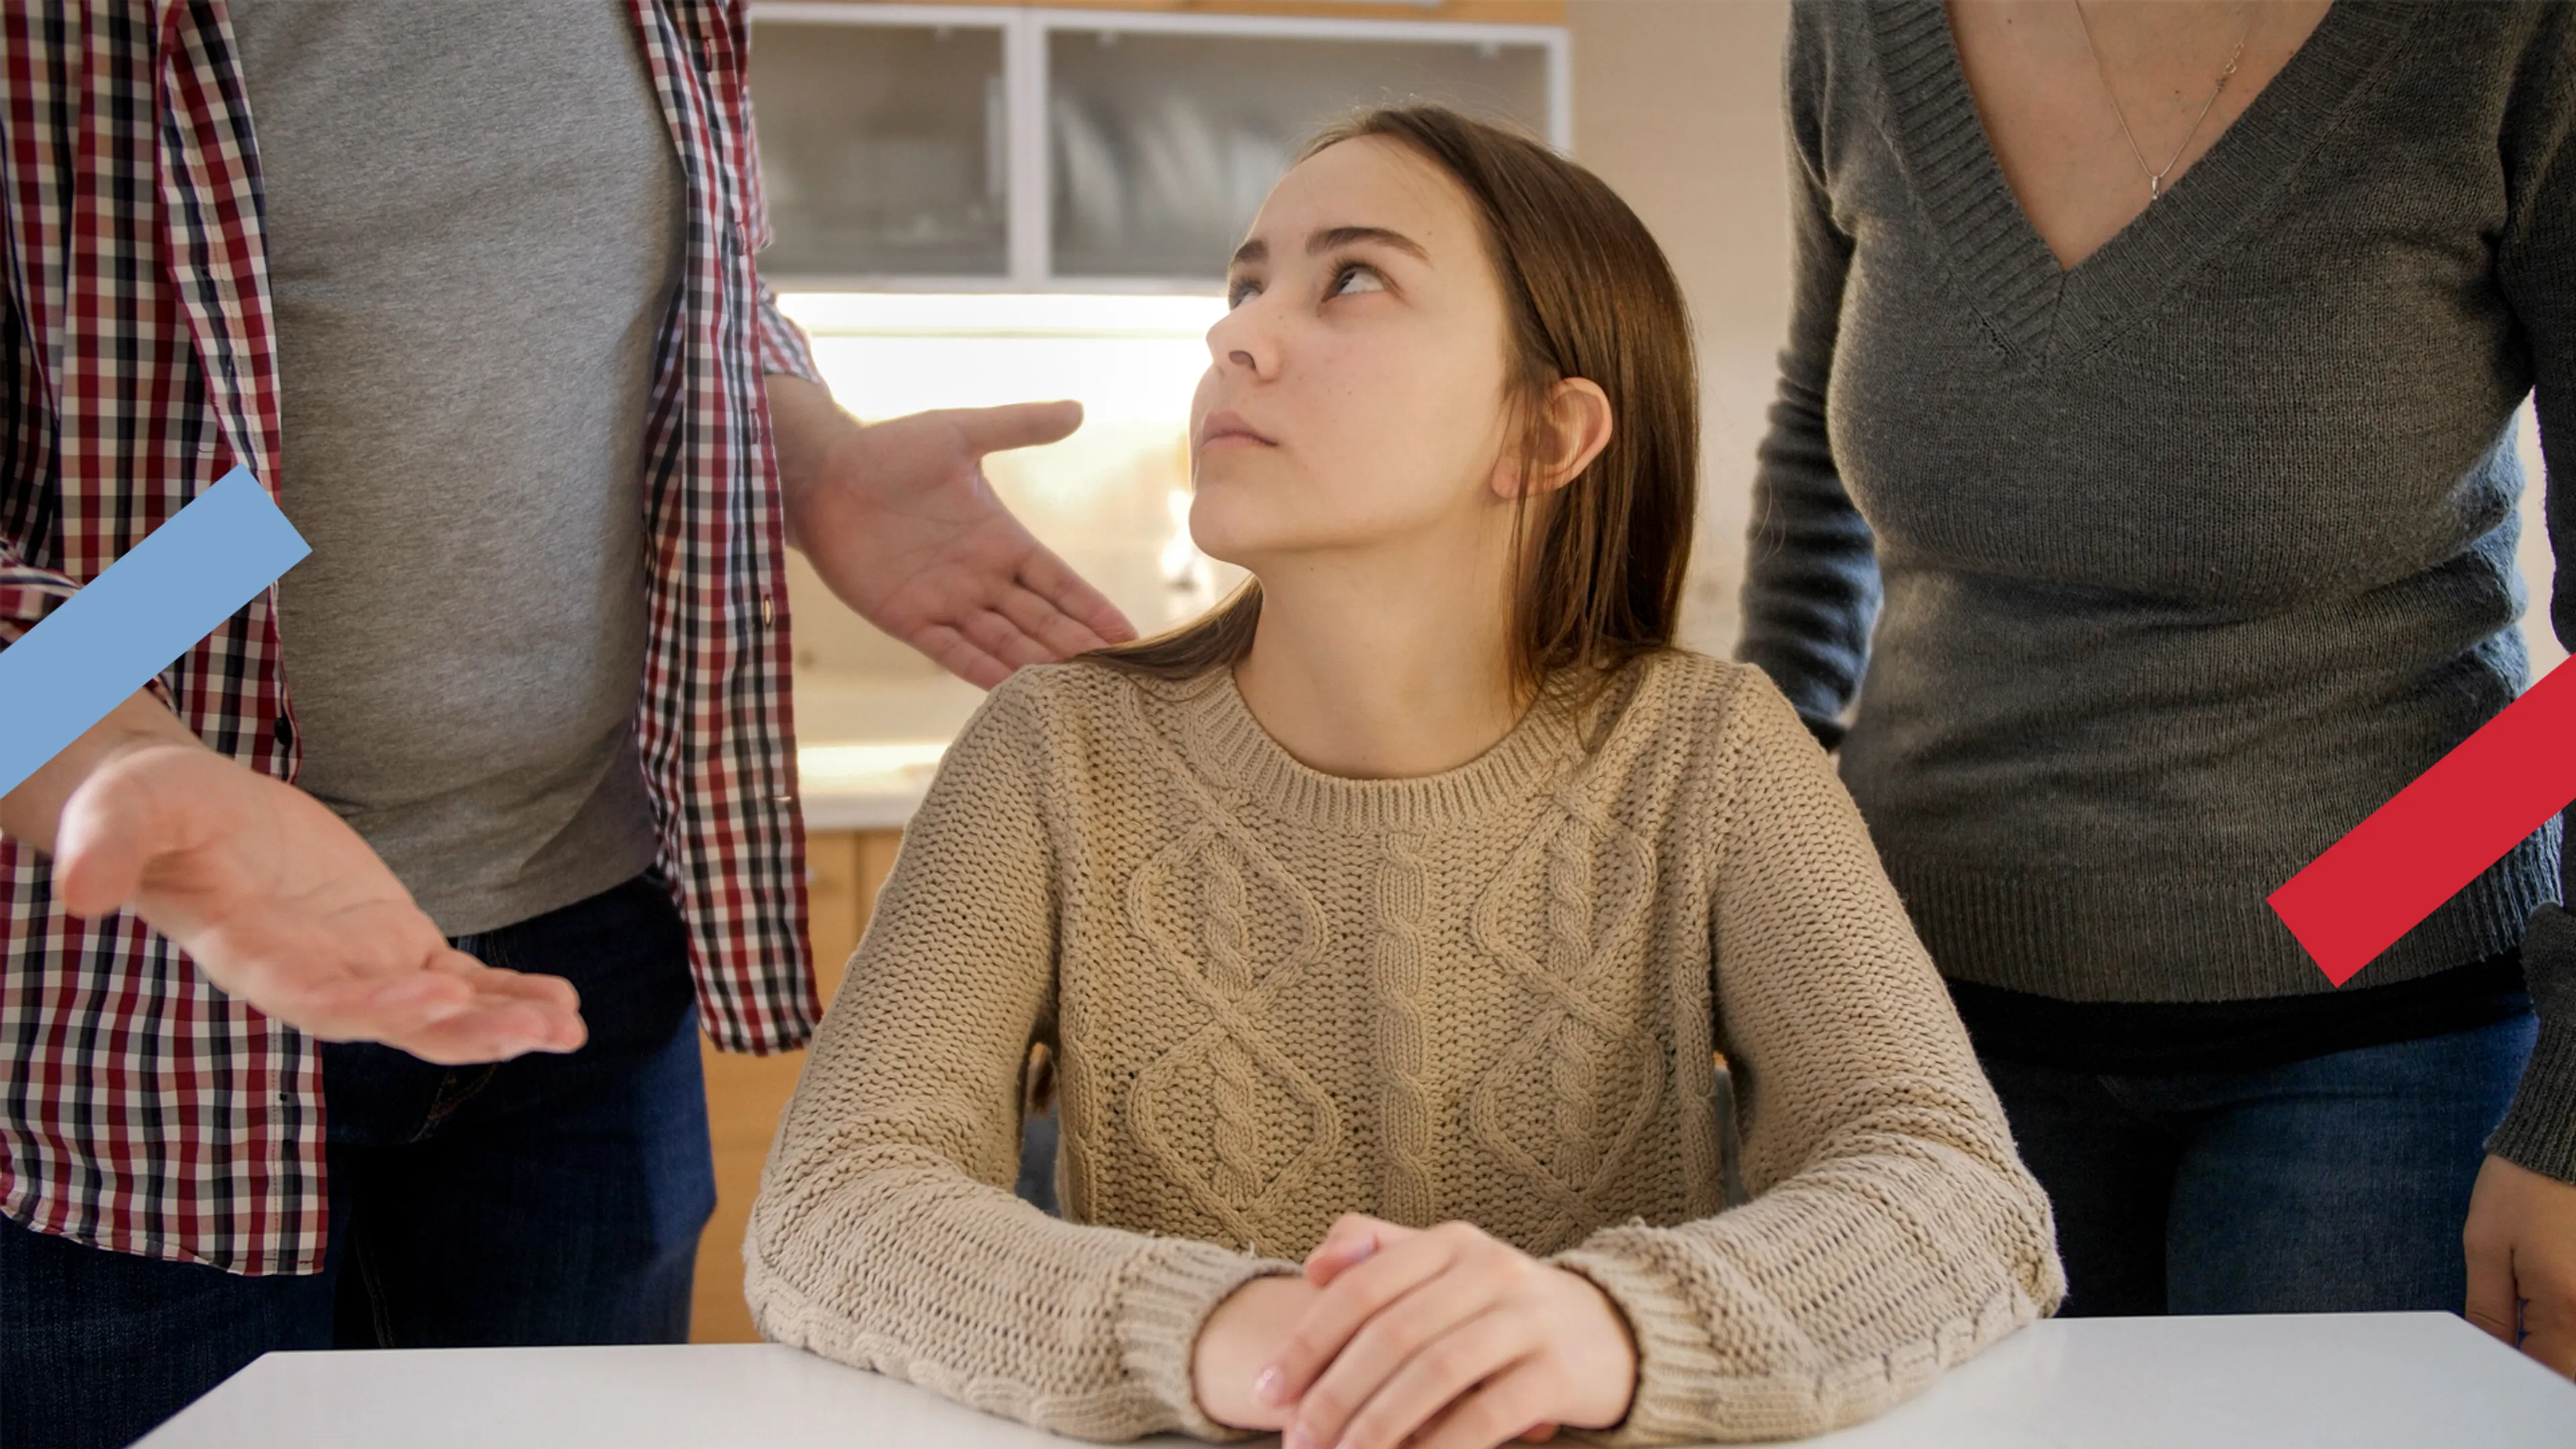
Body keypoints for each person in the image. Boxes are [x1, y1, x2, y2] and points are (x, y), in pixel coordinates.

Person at [745, 105, 2062, 1449]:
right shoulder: (1048, 754)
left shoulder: (1713, 754)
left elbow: (1956, 1191)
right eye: (1246, 283)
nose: (1235, 335)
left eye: (1351, 279)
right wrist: (1226, 1329)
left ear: (1547, 437)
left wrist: (1602, 1329)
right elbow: (835, 1202)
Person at [0, 5, 1128, 1447]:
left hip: (587, 953)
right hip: (120, 997)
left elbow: (666, 297)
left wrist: (812, 452)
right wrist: (104, 751)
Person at [1737, 0, 2576, 1370]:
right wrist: (1749, 881)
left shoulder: (2503, 33)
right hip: (1928, 1023)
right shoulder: (1856, 26)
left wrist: (2574, 1113)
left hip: (2390, 1033)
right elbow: (1814, 450)